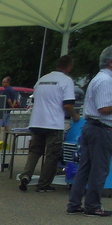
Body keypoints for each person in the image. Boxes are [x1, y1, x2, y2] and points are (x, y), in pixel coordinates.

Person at [18, 55, 80, 192]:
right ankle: (43, 184)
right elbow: (67, 105)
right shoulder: (66, 81)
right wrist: (76, 116)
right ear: (69, 66)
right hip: (53, 123)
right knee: (52, 155)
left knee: (34, 151)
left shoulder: (42, 79)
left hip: (36, 121)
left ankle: (26, 175)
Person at [66, 45, 112, 216]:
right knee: (100, 169)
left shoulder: (99, 78)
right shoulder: (107, 81)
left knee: (85, 168)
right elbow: (104, 108)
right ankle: (92, 205)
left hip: (91, 127)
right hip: (101, 128)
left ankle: (75, 203)